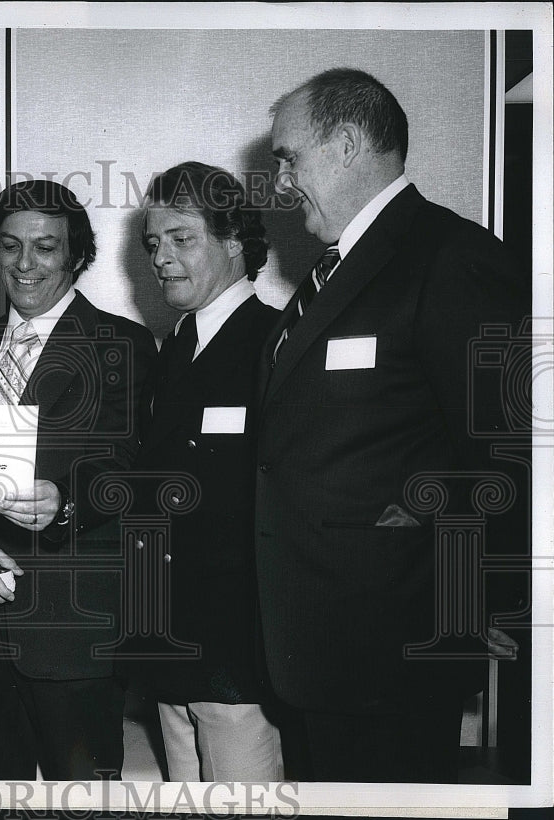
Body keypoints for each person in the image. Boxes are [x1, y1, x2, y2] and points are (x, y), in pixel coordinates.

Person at [257, 68, 530, 782]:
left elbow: (507, 445)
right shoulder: (328, 276)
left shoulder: (451, 256)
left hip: (396, 646)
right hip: (319, 646)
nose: (282, 182)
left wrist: (493, 596)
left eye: (289, 158)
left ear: (346, 144)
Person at [0, 180, 157, 780]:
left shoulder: (125, 345)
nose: (25, 264)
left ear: (77, 256)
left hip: (73, 635)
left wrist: (66, 505)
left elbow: (133, 466)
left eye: (45, 248)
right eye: (10, 247)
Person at [126, 162, 283, 781]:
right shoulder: (168, 353)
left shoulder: (276, 346)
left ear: (234, 243)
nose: (161, 257)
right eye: (153, 243)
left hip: (239, 665)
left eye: (181, 238)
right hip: (170, 652)